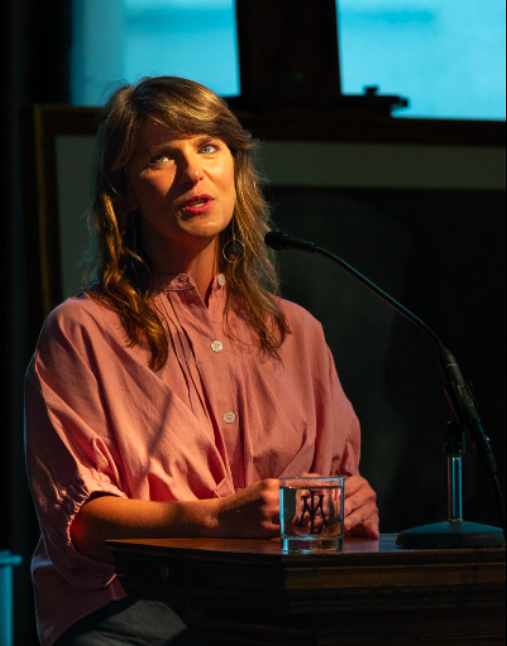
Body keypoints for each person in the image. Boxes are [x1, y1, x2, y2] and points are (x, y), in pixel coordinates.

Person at [25, 76, 379, 646]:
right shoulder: (81, 330)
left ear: (235, 167)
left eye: (208, 147)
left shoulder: (299, 332)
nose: (193, 174)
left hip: (279, 607)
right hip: (135, 614)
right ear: (125, 188)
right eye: (163, 156)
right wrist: (218, 518)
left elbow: (336, 494)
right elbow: (83, 524)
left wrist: (350, 502)